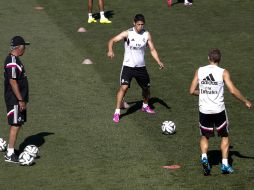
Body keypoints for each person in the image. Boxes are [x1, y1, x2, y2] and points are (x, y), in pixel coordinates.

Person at [189, 49, 252, 175]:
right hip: (219, 110)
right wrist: (245, 101)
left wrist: (204, 92)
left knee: (204, 136)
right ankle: (224, 165)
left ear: (208, 58)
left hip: (204, 110)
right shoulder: (223, 72)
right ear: (220, 59)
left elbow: (191, 91)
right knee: (224, 136)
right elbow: (233, 91)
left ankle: (204, 158)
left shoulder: (200, 70)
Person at [107, 14, 165, 123]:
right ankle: (117, 112)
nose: (140, 27)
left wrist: (158, 61)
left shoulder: (146, 34)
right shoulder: (127, 33)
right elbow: (112, 40)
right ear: (134, 23)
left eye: (142, 25)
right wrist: (110, 50)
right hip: (128, 67)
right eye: (138, 24)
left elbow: (152, 49)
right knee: (124, 88)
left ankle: (145, 105)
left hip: (141, 68)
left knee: (146, 89)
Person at [3, 36, 30, 163]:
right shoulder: (12, 62)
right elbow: (12, 82)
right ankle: (10, 154)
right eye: (24, 47)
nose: (25, 49)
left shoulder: (15, 60)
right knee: (15, 124)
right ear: (19, 48)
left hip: (18, 98)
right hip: (14, 99)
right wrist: (20, 100)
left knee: (18, 124)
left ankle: (11, 150)